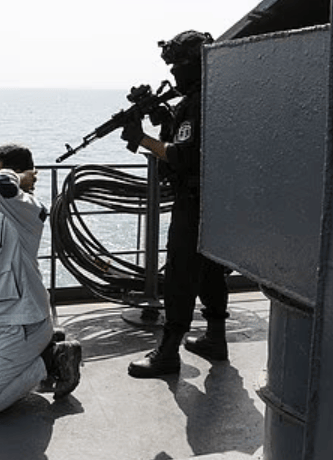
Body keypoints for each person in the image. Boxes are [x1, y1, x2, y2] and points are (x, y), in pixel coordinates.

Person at [119, 30, 231, 378]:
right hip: (215, 198)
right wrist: (167, 120)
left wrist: (141, 138)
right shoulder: (214, 95)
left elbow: (182, 156)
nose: (173, 73)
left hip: (193, 202)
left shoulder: (196, 103)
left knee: (180, 274)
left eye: (177, 65)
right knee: (210, 269)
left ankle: (168, 352)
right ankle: (215, 337)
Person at [0, 143, 82, 417]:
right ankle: (38, 349)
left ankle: (52, 359)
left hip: (25, 324)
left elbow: (2, 184)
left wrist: (19, 177)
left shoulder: (27, 209)